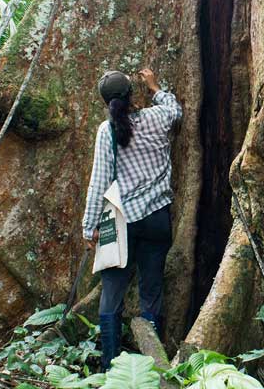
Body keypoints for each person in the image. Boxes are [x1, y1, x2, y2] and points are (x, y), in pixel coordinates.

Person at [82, 68, 182, 370]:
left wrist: (90, 227)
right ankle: (150, 364)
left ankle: (111, 365)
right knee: (151, 292)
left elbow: (99, 182)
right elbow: (174, 110)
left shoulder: (107, 130)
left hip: (123, 221)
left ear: (106, 103)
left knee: (112, 291)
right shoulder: (155, 117)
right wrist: (155, 87)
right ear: (132, 95)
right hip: (156, 218)